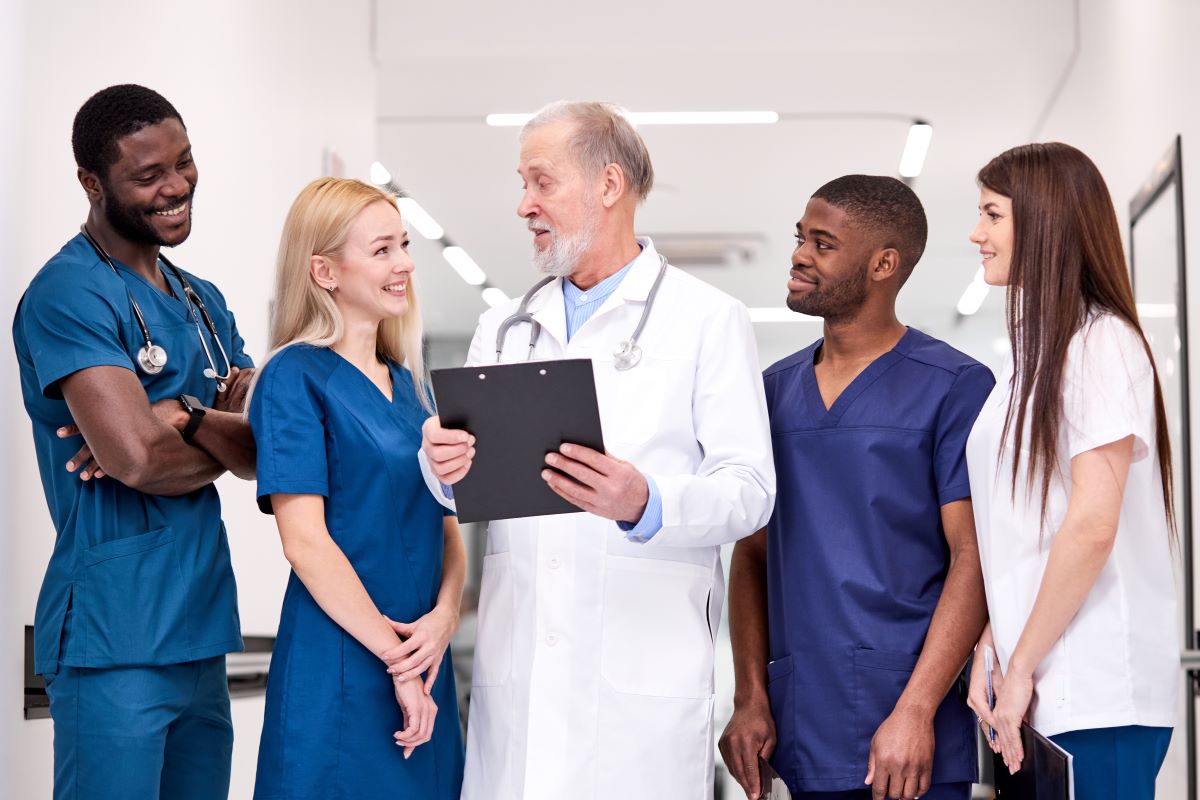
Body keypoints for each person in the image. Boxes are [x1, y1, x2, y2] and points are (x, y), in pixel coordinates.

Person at [420, 101, 776, 798]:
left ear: (609, 186)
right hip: (519, 685)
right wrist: (440, 468)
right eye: (521, 184)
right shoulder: (505, 327)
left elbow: (750, 489)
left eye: (541, 182)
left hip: (637, 693)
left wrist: (647, 500)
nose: (524, 204)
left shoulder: (706, 321)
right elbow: (461, 485)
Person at [12, 84, 256, 800]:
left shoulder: (202, 301)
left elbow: (266, 452)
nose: (175, 186)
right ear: (92, 184)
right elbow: (135, 458)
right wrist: (207, 427)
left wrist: (179, 414)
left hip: (201, 629)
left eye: (183, 163)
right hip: (114, 636)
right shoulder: (69, 293)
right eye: (147, 176)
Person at [719, 175, 994, 800]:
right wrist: (749, 698)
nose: (798, 255)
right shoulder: (768, 393)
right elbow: (753, 553)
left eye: (822, 244)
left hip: (908, 734)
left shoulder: (954, 385)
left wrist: (917, 711)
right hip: (802, 724)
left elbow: (972, 557)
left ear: (883, 264)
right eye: (800, 239)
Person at [964, 143, 1178, 800]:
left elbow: (1090, 524)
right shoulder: (1030, 363)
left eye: (993, 215)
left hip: (1096, 691)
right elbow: (1030, 527)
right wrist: (992, 643)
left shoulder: (1102, 344)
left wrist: (1021, 663)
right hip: (1042, 690)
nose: (977, 233)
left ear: (1044, 221)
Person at [247, 177, 465, 798]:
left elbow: (447, 526)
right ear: (324, 270)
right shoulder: (293, 377)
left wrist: (445, 618)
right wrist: (398, 662)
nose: (404, 264)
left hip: (424, 667)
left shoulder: (413, 390)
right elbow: (305, 543)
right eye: (382, 250)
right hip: (344, 666)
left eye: (403, 245)